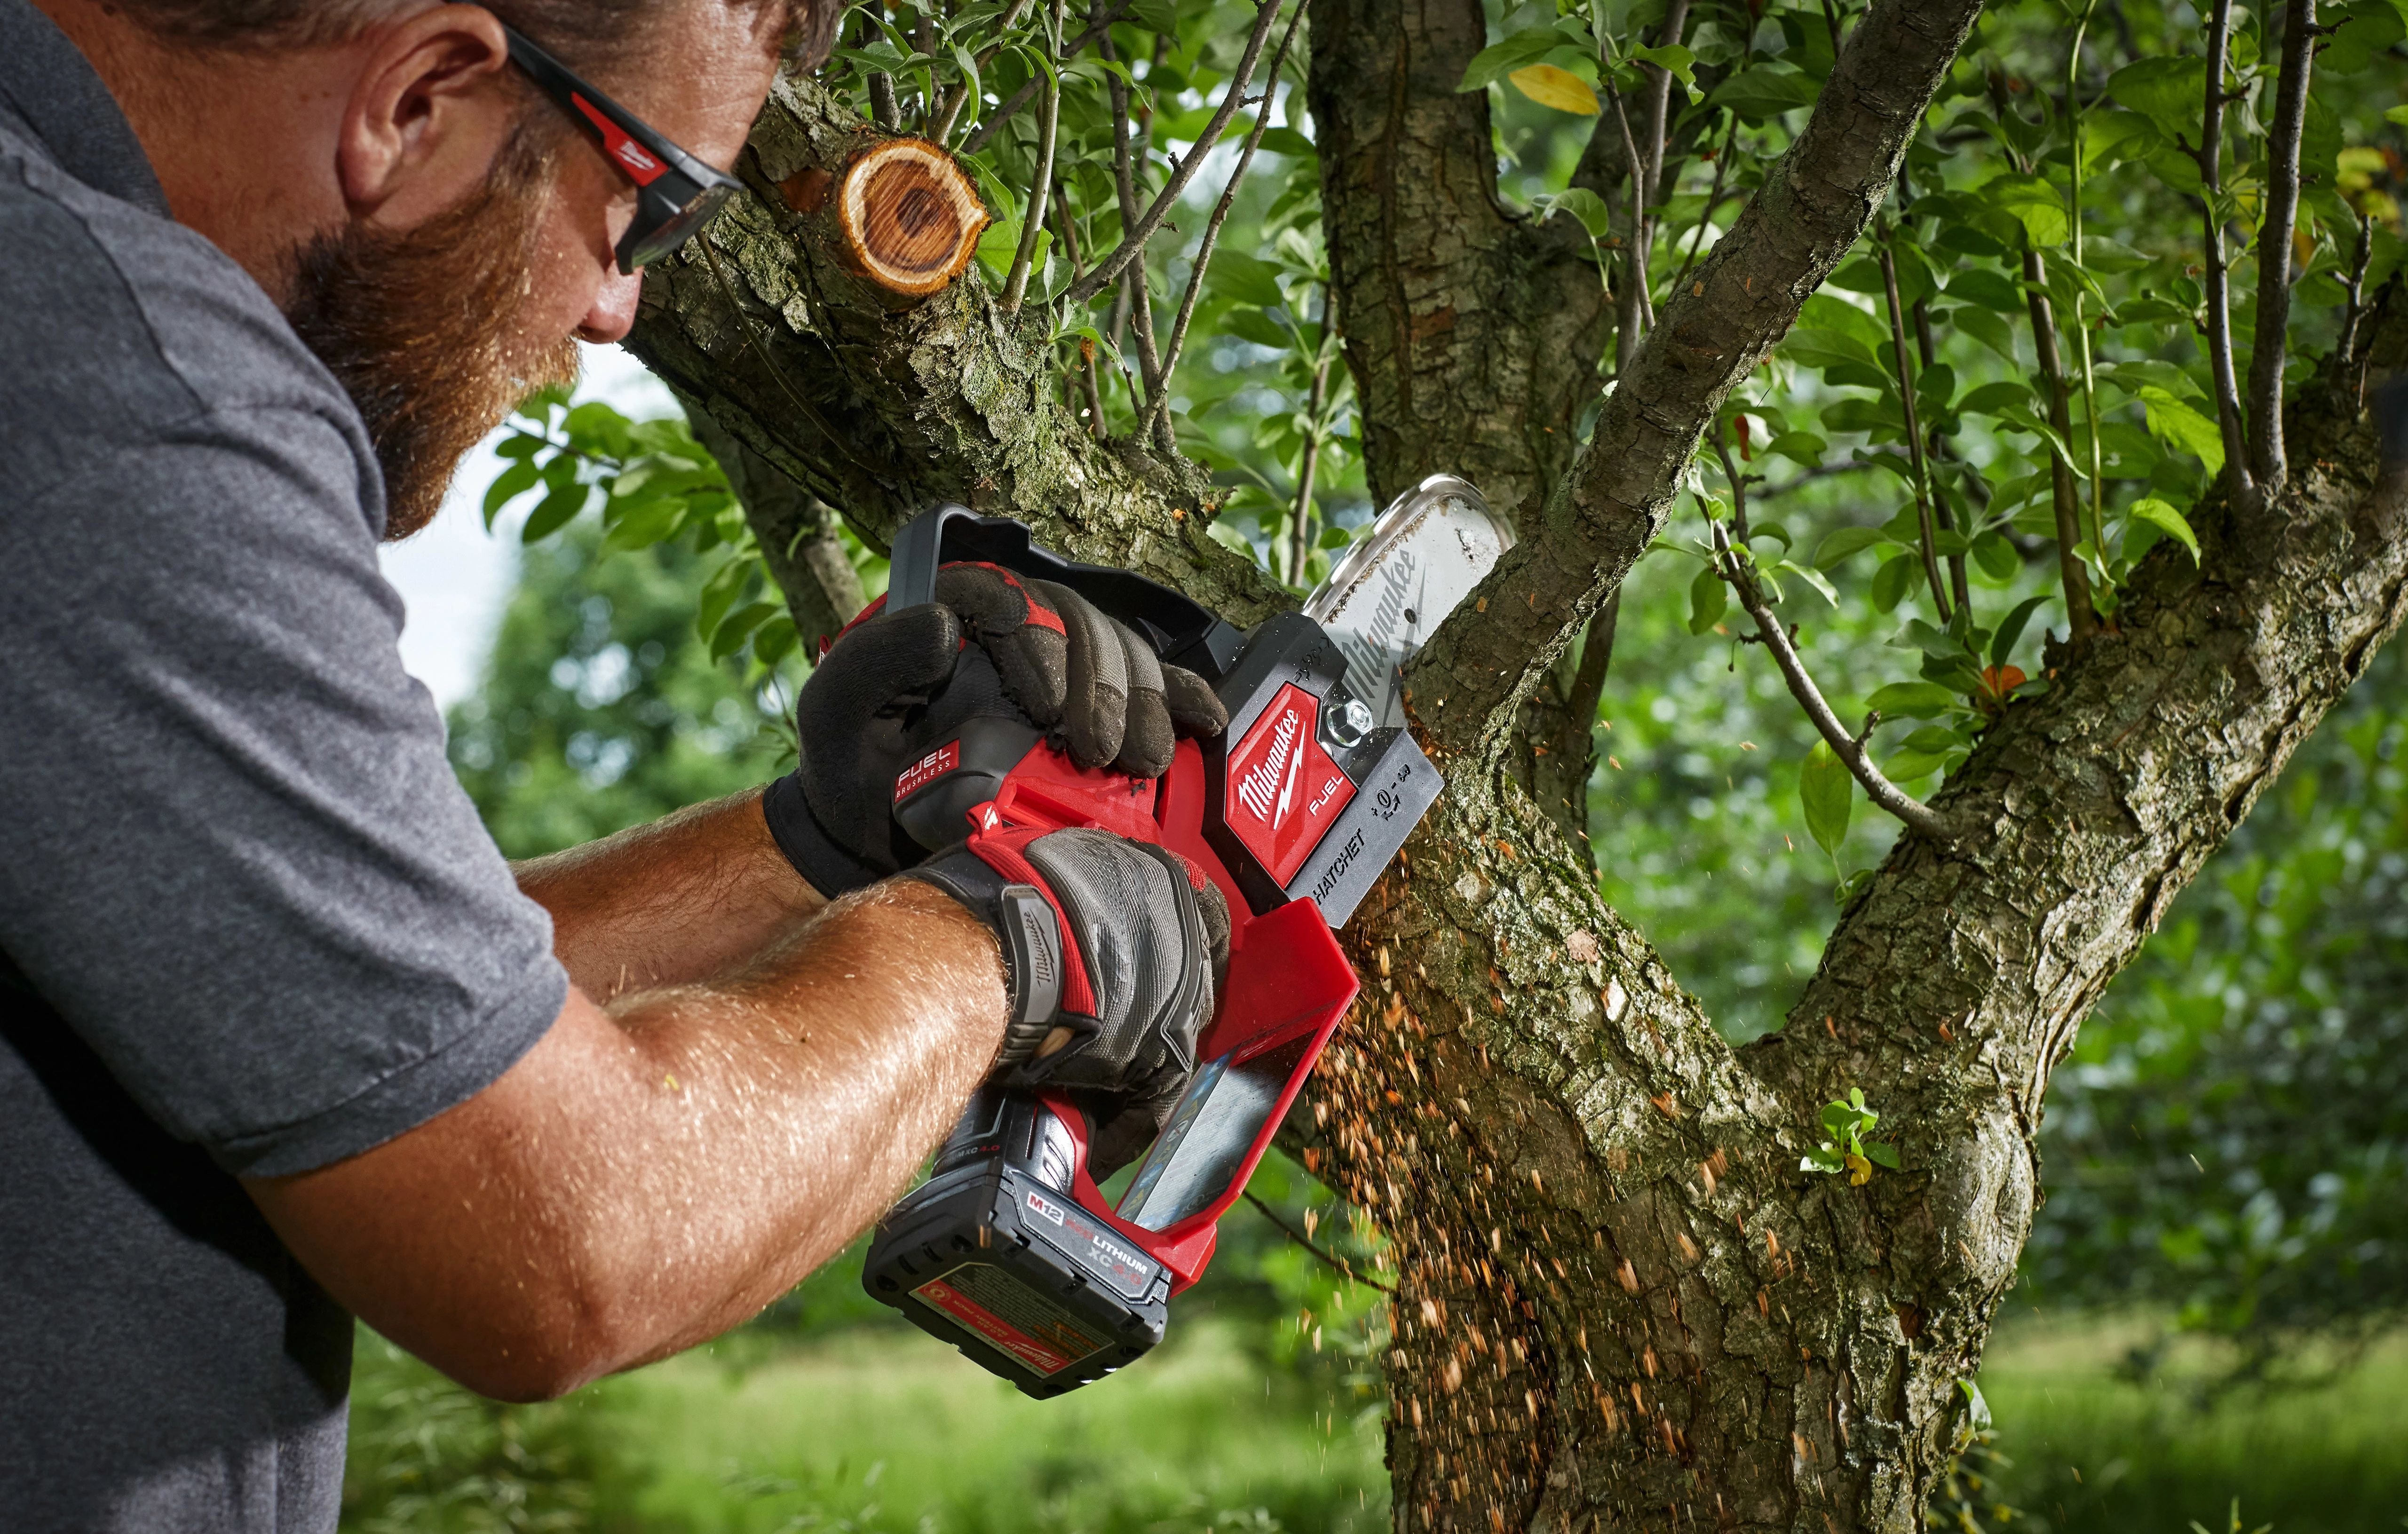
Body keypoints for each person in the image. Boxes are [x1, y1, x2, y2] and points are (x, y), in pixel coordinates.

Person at [0, 2, 1226, 1529]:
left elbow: (390, 1029)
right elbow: (571, 1240)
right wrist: (1007, 942)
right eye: (648, 210)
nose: (617, 313)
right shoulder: (117, 392)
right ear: (422, 95)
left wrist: (826, 844)